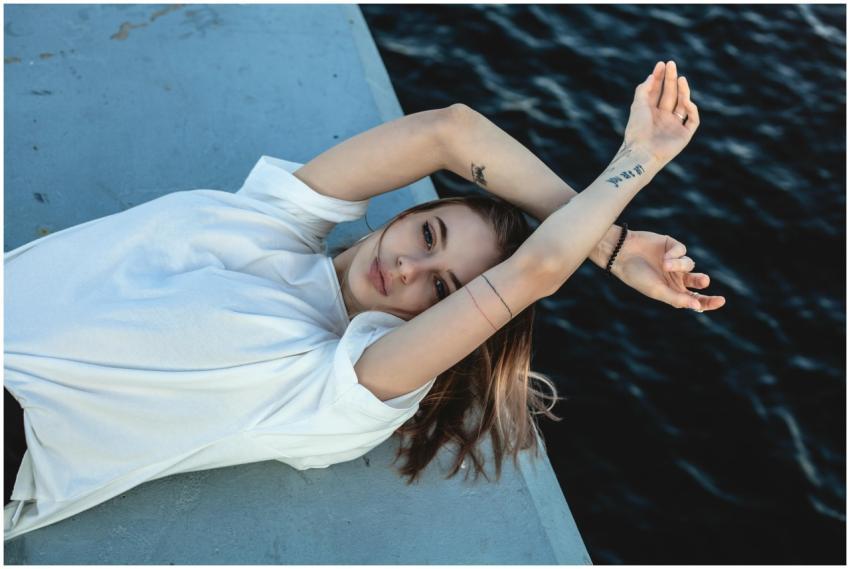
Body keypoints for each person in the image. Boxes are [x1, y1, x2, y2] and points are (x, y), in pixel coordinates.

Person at [4, 60, 724, 539]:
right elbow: (448, 131)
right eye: (428, 233)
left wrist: (639, 160)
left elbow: (535, 270)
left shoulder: (341, 386)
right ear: (404, 215)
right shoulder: (274, 219)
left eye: (442, 290)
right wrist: (613, 239)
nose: (409, 266)